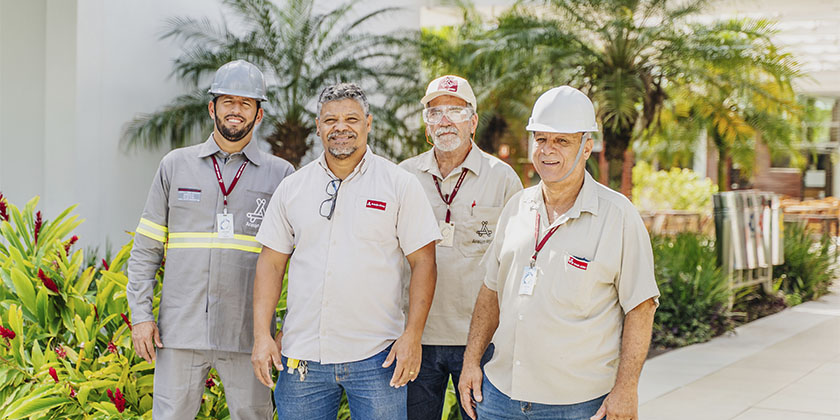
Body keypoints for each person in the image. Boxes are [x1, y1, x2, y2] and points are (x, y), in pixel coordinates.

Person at [458, 86, 660, 420]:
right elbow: (490, 291)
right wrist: (470, 363)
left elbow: (641, 307)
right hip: (500, 396)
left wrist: (626, 389)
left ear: (587, 147)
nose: (548, 151)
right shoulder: (516, 207)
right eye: (541, 139)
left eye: (562, 141)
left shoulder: (617, 215)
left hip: (578, 405)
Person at [250, 82, 441, 420]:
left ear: (368, 123)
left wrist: (413, 336)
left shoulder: (398, 184)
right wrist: (262, 336)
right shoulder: (293, 188)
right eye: (330, 120)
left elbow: (423, 261)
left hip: (378, 358)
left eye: (351, 119)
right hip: (303, 359)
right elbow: (271, 263)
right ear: (318, 127)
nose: (340, 128)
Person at [126, 60, 294, 419]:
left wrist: (287, 328)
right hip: (179, 332)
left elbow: (304, 262)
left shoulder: (282, 175)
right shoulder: (175, 166)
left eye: (245, 103)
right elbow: (146, 250)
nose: (235, 110)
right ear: (211, 108)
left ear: (259, 114)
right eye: (228, 101)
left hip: (248, 335)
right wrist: (141, 316)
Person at [399, 75, 522, 420]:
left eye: (455, 110)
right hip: (417, 337)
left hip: (481, 339)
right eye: (434, 113)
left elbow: (515, 262)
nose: (445, 120)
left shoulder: (503, 179)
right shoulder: (404, 177)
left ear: (473, 121)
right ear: (426, 126)